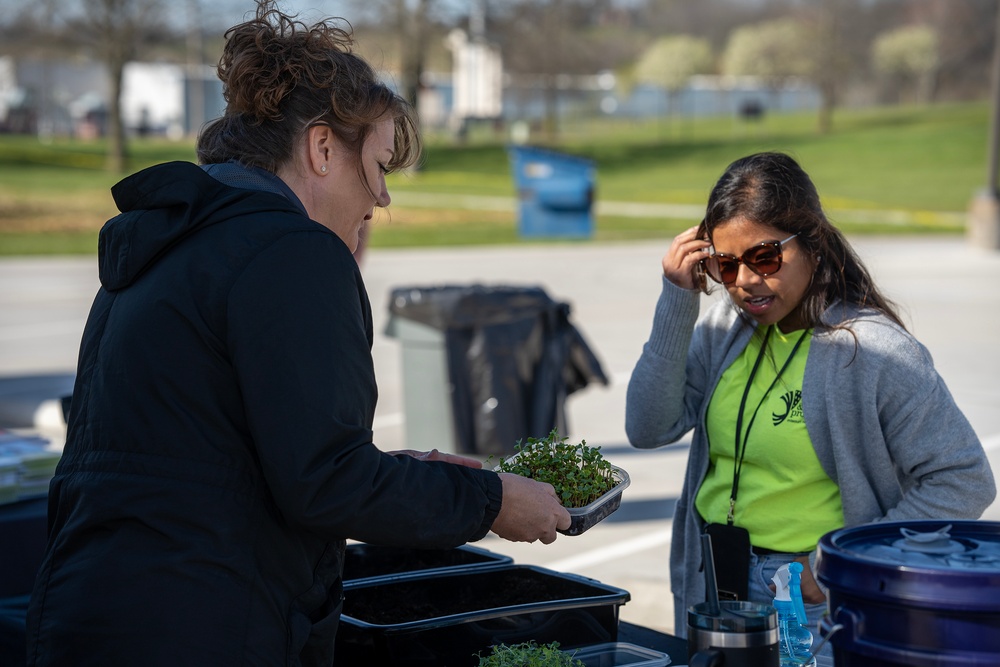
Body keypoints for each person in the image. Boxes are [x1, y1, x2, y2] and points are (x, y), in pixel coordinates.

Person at [25, 3, 570, 666]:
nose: (382, 200)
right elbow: (327, 483)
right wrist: (491, 499)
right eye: (377, 167)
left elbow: (234, 457)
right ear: (320, 148)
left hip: (95, 614)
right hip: (204, 626)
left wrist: (404, 475)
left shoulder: (174, 243)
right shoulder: (292, 251)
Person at [625, 151, 995, 663]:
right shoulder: (721, 330)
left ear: (813, 243)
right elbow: (647, 427)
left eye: (765, 257)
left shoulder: (874, 352)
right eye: (725, 265)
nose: (745, 282)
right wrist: (676, 299)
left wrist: (833, 566)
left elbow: (964, 478)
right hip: (713, 581)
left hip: (810, 599)